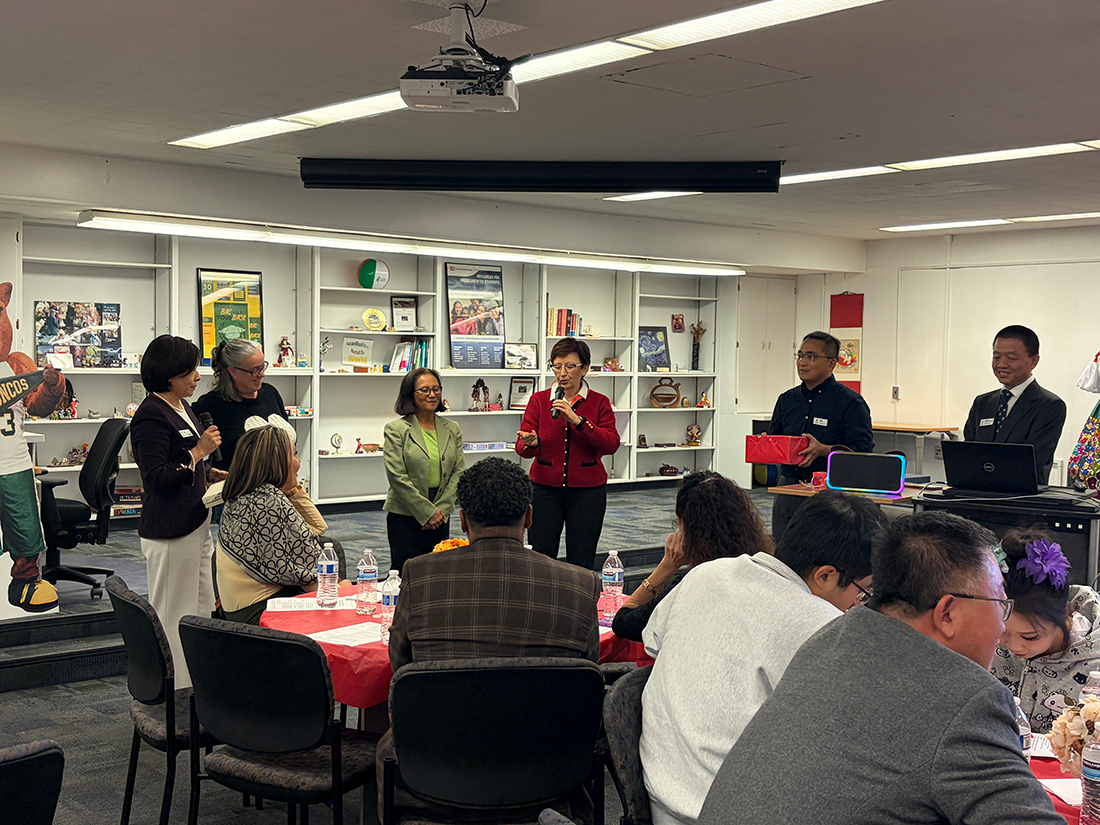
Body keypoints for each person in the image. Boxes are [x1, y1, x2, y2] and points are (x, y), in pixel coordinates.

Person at [697, 511, 1063, 825]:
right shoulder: (965, 700)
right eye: (1000, 603)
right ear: (947, 613)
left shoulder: (831, 639)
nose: (1003, 624)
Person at [640, 491, 884, 825]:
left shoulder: (707, 573)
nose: (860, 603)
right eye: (864, 591)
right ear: (825, 575)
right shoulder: (823, 626)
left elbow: (652, 643)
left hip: (659, 794)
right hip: (735, 810)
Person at [381, 457, 601, 822]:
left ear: (463, 519)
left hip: (437, 768)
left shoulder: (419, 574)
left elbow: (401, 665)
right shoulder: (580, 584)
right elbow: (587, 671)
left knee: (385, 746)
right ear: (530, 517)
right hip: (547, 771)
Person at [130, 335, 223, 689]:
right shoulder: (151, 416)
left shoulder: (185, 408)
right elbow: (156, 477)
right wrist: (198, 454)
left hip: (196, 524)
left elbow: (183, 464)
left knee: (200, 608)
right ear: (170, 374)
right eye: (190, 370)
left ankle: (197, 685)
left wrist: (209, 472)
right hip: (170, 530)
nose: (198, 376)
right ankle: (174, 691)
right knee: (172, 613)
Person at [611, 471, 770, 641]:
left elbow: (623, 623)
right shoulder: (765, 572)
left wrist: (667, 566)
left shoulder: (685, 589)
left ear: (686, 529)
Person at [216, 423, 346, 624]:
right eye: (293, 455)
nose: (299, 462)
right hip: (261, 616)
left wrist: (291, 489)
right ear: (276, 462)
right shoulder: (268, 503)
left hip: (241, 612)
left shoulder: (247, 496)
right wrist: (345, 589)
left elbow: (317, 528)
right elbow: (316, 581)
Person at [516, 338, 620, 570]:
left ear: (584, 369)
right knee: (541, 556)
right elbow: (522, 450)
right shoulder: (539, 400)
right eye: (557, 366)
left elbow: (611, 444)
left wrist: (578, 420)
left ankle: (579, 605)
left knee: (581, 558)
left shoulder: (599, 402)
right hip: (543, 490)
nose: (563, 373)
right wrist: (530, 443)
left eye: (570, 366)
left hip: (587, 493)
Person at [768, 330, 874, 542]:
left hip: (831, 493)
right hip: (789, 486)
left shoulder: (850, 402)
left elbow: (863, 451)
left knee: (821, 553)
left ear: (831, 363)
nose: (802, 362)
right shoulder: (787, 400)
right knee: (784, 549)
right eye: (800, 355)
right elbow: (776, 439)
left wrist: (824, 450)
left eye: (811, 357)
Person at [992, 527, 1100, 733]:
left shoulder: (1094, 663)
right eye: (1002, 631)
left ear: (1064, 613)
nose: (1014, 646)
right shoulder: (985, 640)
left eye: (1030, 637)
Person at [382, 368, 465, 574]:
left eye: (436, 389)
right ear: (411, 394)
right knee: (406, 571)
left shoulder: (452, 427)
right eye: (425, 390)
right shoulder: (396, 429)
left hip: (440, 509)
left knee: (438, 570)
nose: (432, 395)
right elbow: (397, 477)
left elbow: (459, 471)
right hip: (406, 511)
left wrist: (441, 511)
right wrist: (427, 513)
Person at [964, 324, 1066, 485]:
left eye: (1011, 358)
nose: (1002, 364)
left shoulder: (1050, 406)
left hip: (1020, 499)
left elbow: (1031, 460)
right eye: (996, 357)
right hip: (976, 494)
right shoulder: (982, 403)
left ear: (1033, 361)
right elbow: (967, 453)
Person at [191, 338, 287, 472]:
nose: (262, 374)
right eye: (255, 370)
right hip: (234, 488)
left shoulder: (271, 394)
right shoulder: (210, 405)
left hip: (278, 485)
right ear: (233, 372)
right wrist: (207, 472)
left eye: (263, 366)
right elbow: (190, 453)